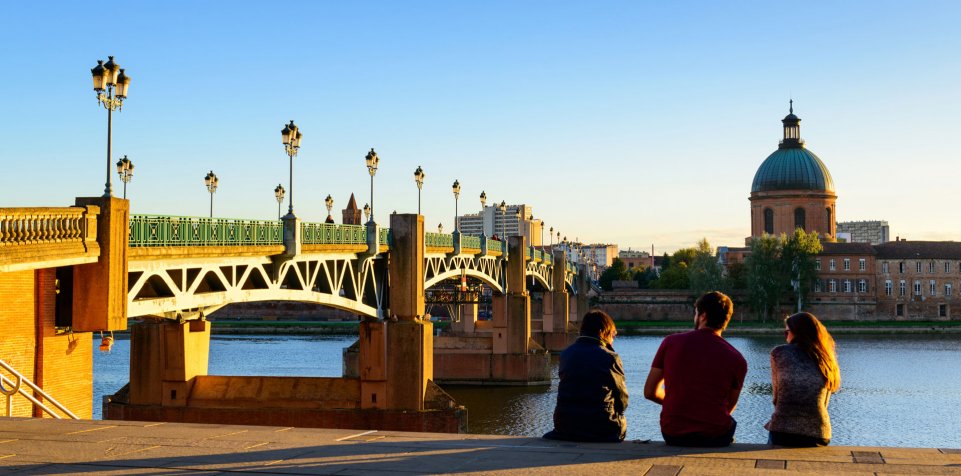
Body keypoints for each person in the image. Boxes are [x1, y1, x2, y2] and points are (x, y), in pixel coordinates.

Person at [643, 291, 747, 447]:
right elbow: (729, 406)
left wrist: (677, 402)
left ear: (703, 316)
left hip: (673, 433)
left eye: (696, 313)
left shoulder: (671, 343)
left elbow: (650, 392)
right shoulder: (737, 358)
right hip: (715, 435)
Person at [543, 310, 628, 442]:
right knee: (620, 422)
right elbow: (622, 400)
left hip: (565, 426)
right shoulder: (610, 357)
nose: (613, 340)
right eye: (613, 335)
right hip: (602, 427)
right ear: (603, 332)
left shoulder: (566, 354)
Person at [765, 312, 840, 447]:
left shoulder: (779, 353)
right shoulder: (827, 359)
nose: (786, 337)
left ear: (796, 333)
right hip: (819, 432)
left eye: (787, 332)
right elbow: (824, 403)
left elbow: (777, 398)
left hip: (783, 431)